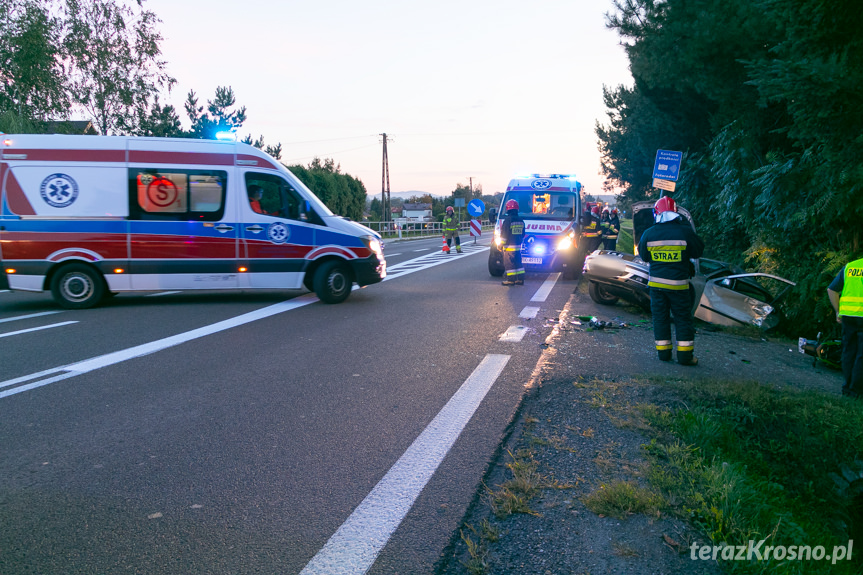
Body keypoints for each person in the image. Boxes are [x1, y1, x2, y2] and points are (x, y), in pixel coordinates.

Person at [637, 196, 705, 366]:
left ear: (657, 213)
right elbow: (698, 251)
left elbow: (644, 256)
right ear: (675, 213)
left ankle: (664, 354)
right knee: (682, 319)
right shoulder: (684, 232)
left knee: (660, 319)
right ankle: (685, 357)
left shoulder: (649, 233)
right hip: (679, 287)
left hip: (657, 287)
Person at [827, 257, 863, 397]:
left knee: (849, 351)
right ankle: (856, 391)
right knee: (861, 355)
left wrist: (838, 311)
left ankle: (847, 388)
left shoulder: (850, 267)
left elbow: (831, 290)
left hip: (848, 316)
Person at [499, 199, 525, 285]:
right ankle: (520, 279)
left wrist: (500, 245)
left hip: (509, 247)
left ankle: (511, 280)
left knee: (509, 263)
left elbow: (504, 234)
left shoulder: (508, 220)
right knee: (518, 263)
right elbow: (523, 234)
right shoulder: (521, 220)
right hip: (518, 246)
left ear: (508, 209)